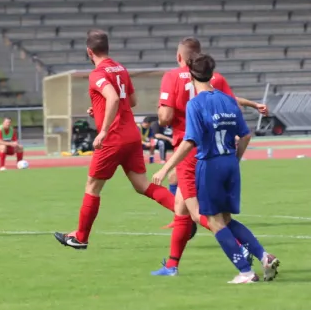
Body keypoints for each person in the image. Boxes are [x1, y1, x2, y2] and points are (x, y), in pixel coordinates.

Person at [152, 54, 279, 284]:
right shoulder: (228, 100)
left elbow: (190, 141)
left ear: (190, 76)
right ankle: (263, 255)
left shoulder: (195, 104)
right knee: (226, 219)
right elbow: (246, 134)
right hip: (230, 162)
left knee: (213, 220)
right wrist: (235, 159)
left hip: (209, 164)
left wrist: (165, 168)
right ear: (213, 74)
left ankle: (246, 272)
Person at [53, 29, 176, 250]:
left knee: (92, 187)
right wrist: (99, 109)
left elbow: (112, 98)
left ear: (89, 51)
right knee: (142, 185)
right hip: (131, 135)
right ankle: (183, 213)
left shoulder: (97, 74)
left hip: (112, 139)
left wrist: (103, 129)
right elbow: (131, 101)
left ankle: (81, 237)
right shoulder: (120, 68)